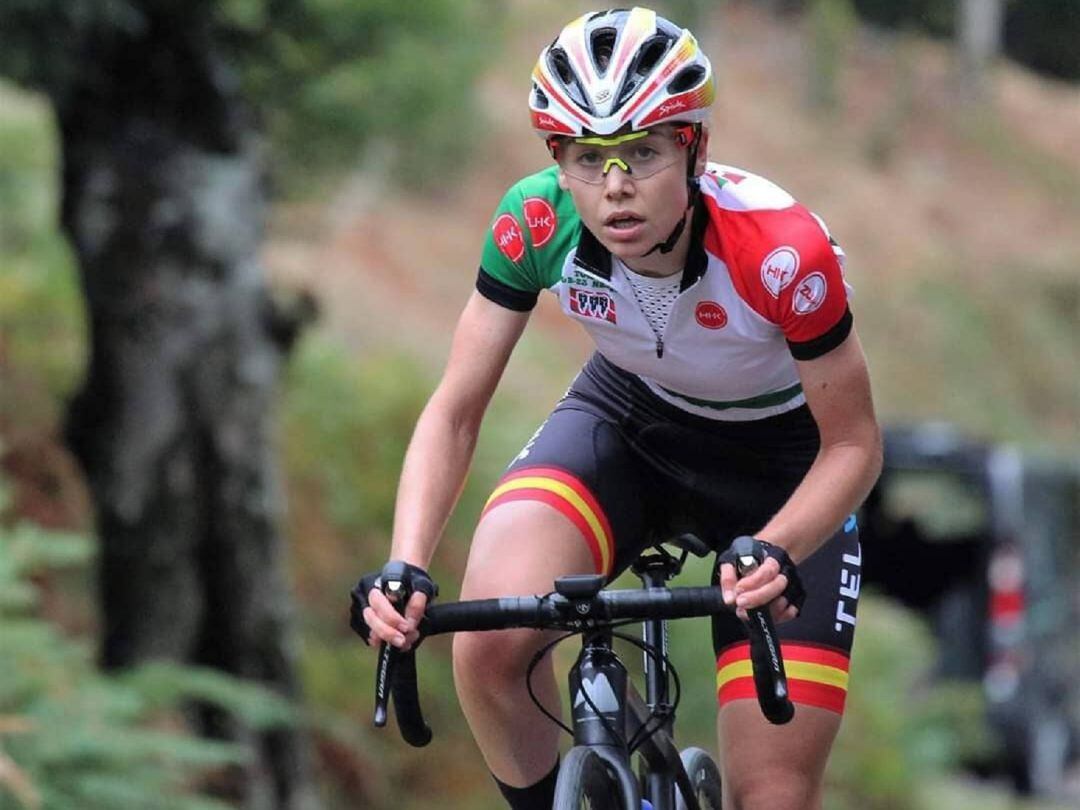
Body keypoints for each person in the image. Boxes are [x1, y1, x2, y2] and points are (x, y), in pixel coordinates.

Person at [351, 7, 882, 809]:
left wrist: (775, 550)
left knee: (773, 793)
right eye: (587, 159)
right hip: (629, 425)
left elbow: (854, 447)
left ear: (693, 147)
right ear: (557, 160)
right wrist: (407, 561)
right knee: (492, 648)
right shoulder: (536, 221)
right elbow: (456, 411)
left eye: (644, 152)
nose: (617, 187)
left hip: (786, 471)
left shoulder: (780, 253)